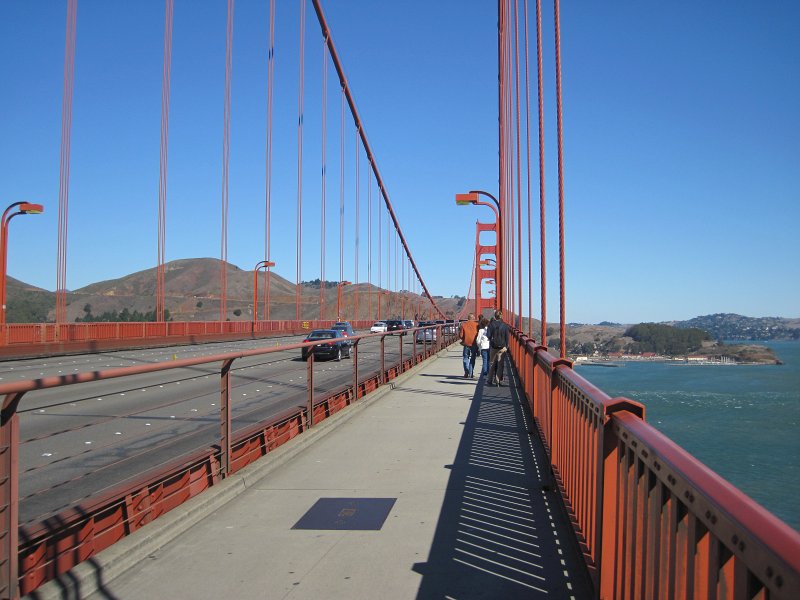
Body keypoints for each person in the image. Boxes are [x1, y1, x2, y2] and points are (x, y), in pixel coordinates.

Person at [486, 310, 509, 386]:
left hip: (493, 347)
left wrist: (491, 340)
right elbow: (507, 337)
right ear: (501, 316)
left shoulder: (491, 325)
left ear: (495, 316)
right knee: (500, 364)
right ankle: (497, 381)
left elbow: (488, 336)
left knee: (492, 363)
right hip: (502, 347)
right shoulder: (505, 325)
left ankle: (489, 380)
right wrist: (506, 346)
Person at [458, 313, 479, 378]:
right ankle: (471, 373)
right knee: (473, 358)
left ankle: (466, 372)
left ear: (468, 318)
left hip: (466, 344)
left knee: (465, 357)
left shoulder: (464, 325)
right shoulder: (477, 325)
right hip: (474, 344)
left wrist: (464, 339)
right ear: (473, 318)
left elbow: (461, 336)